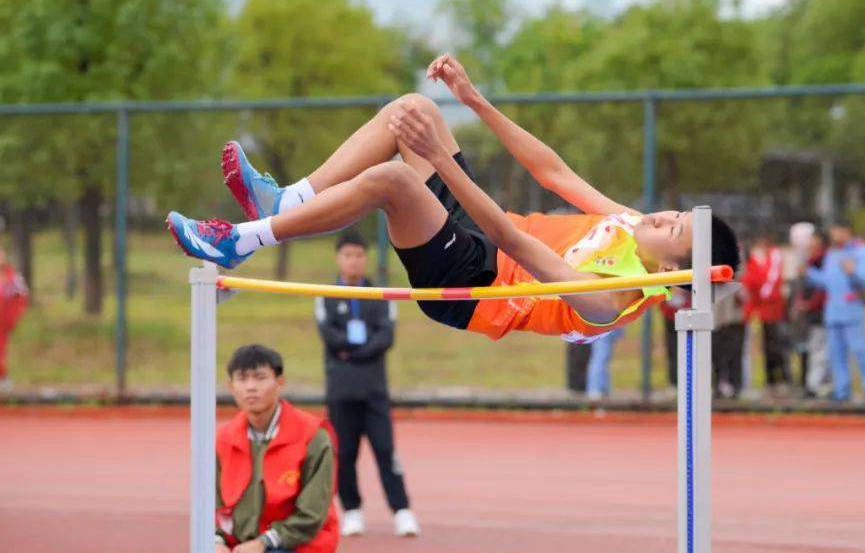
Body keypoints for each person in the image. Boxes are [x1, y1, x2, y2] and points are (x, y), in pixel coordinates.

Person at [168, 54, 740, 346]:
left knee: (397, 181)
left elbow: (513, 241)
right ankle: (284, 201)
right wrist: (473, 100)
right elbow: (553, 171)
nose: (663, 217)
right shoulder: (633, 222)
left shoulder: (610, 299)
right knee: (414, 110)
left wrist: (439, 161)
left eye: (673, 230)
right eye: (677, 213)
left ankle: (240, 242)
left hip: (475, 284)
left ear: (669, 271)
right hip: (479, 232)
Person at [315, 232, 419, 538]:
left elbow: (386, 336)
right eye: (348, 255)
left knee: (386, 451)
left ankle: (402, 511)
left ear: (366, 257)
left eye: (359, 255)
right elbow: (329, 336)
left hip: (374, 390)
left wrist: (355, 350)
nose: (353, 260)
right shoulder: (325, 294)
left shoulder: (381, 294)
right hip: (341, 390)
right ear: (338, 258)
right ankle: (353, 511)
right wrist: (351, 345)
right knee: (344, 454)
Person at [215, 344, 338, 553]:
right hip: (239, 545)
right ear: (231, 386)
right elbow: (213, 503)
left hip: (296, 543)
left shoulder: (313, 436)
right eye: (242, 379)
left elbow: (312, 514)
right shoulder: (223, 438)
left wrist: (264, 543)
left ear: (279, 382)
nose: (251, 387)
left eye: (260, 378)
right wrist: (216, 540)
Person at [804, 221, 865, 403]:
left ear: (847, 232)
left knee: (860, 351)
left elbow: (864, 281)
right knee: (836, 355)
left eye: (837, 230)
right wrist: (809, 274)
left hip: (852, 312)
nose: (834, 235)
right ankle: (841, 392)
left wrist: (852, 272)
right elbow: (826, 281)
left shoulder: (860, 251)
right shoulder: (832, 253)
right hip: (833, 313)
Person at [741, 234, 791, 394]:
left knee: (777, 345)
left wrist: (760, 297)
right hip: (761, 311)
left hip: (774, 310)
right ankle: (770, 379)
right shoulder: (756, 259)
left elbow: (770, 282)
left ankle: (782, 378)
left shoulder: (774, 256)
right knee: (767, 346)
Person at [792, 231, 829, 398]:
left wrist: (810, 304)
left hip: (821, 313)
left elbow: (824, 288)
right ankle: (813, 383)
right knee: (813, 348)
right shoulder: (810, 261)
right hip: (811, 314)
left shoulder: (823, 261)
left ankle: (814, 385)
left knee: (819, 350)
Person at [0, 245, 29, 393]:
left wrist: (14, 317)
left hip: (4, 322)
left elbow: (22, 297)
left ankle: (3, 379)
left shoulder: (13, 277)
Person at [584, 325, 624, 400]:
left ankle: (602, 388)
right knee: (600, 357)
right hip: (603, 325)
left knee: (603, 358)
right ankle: (595, 388)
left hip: (606, 325)